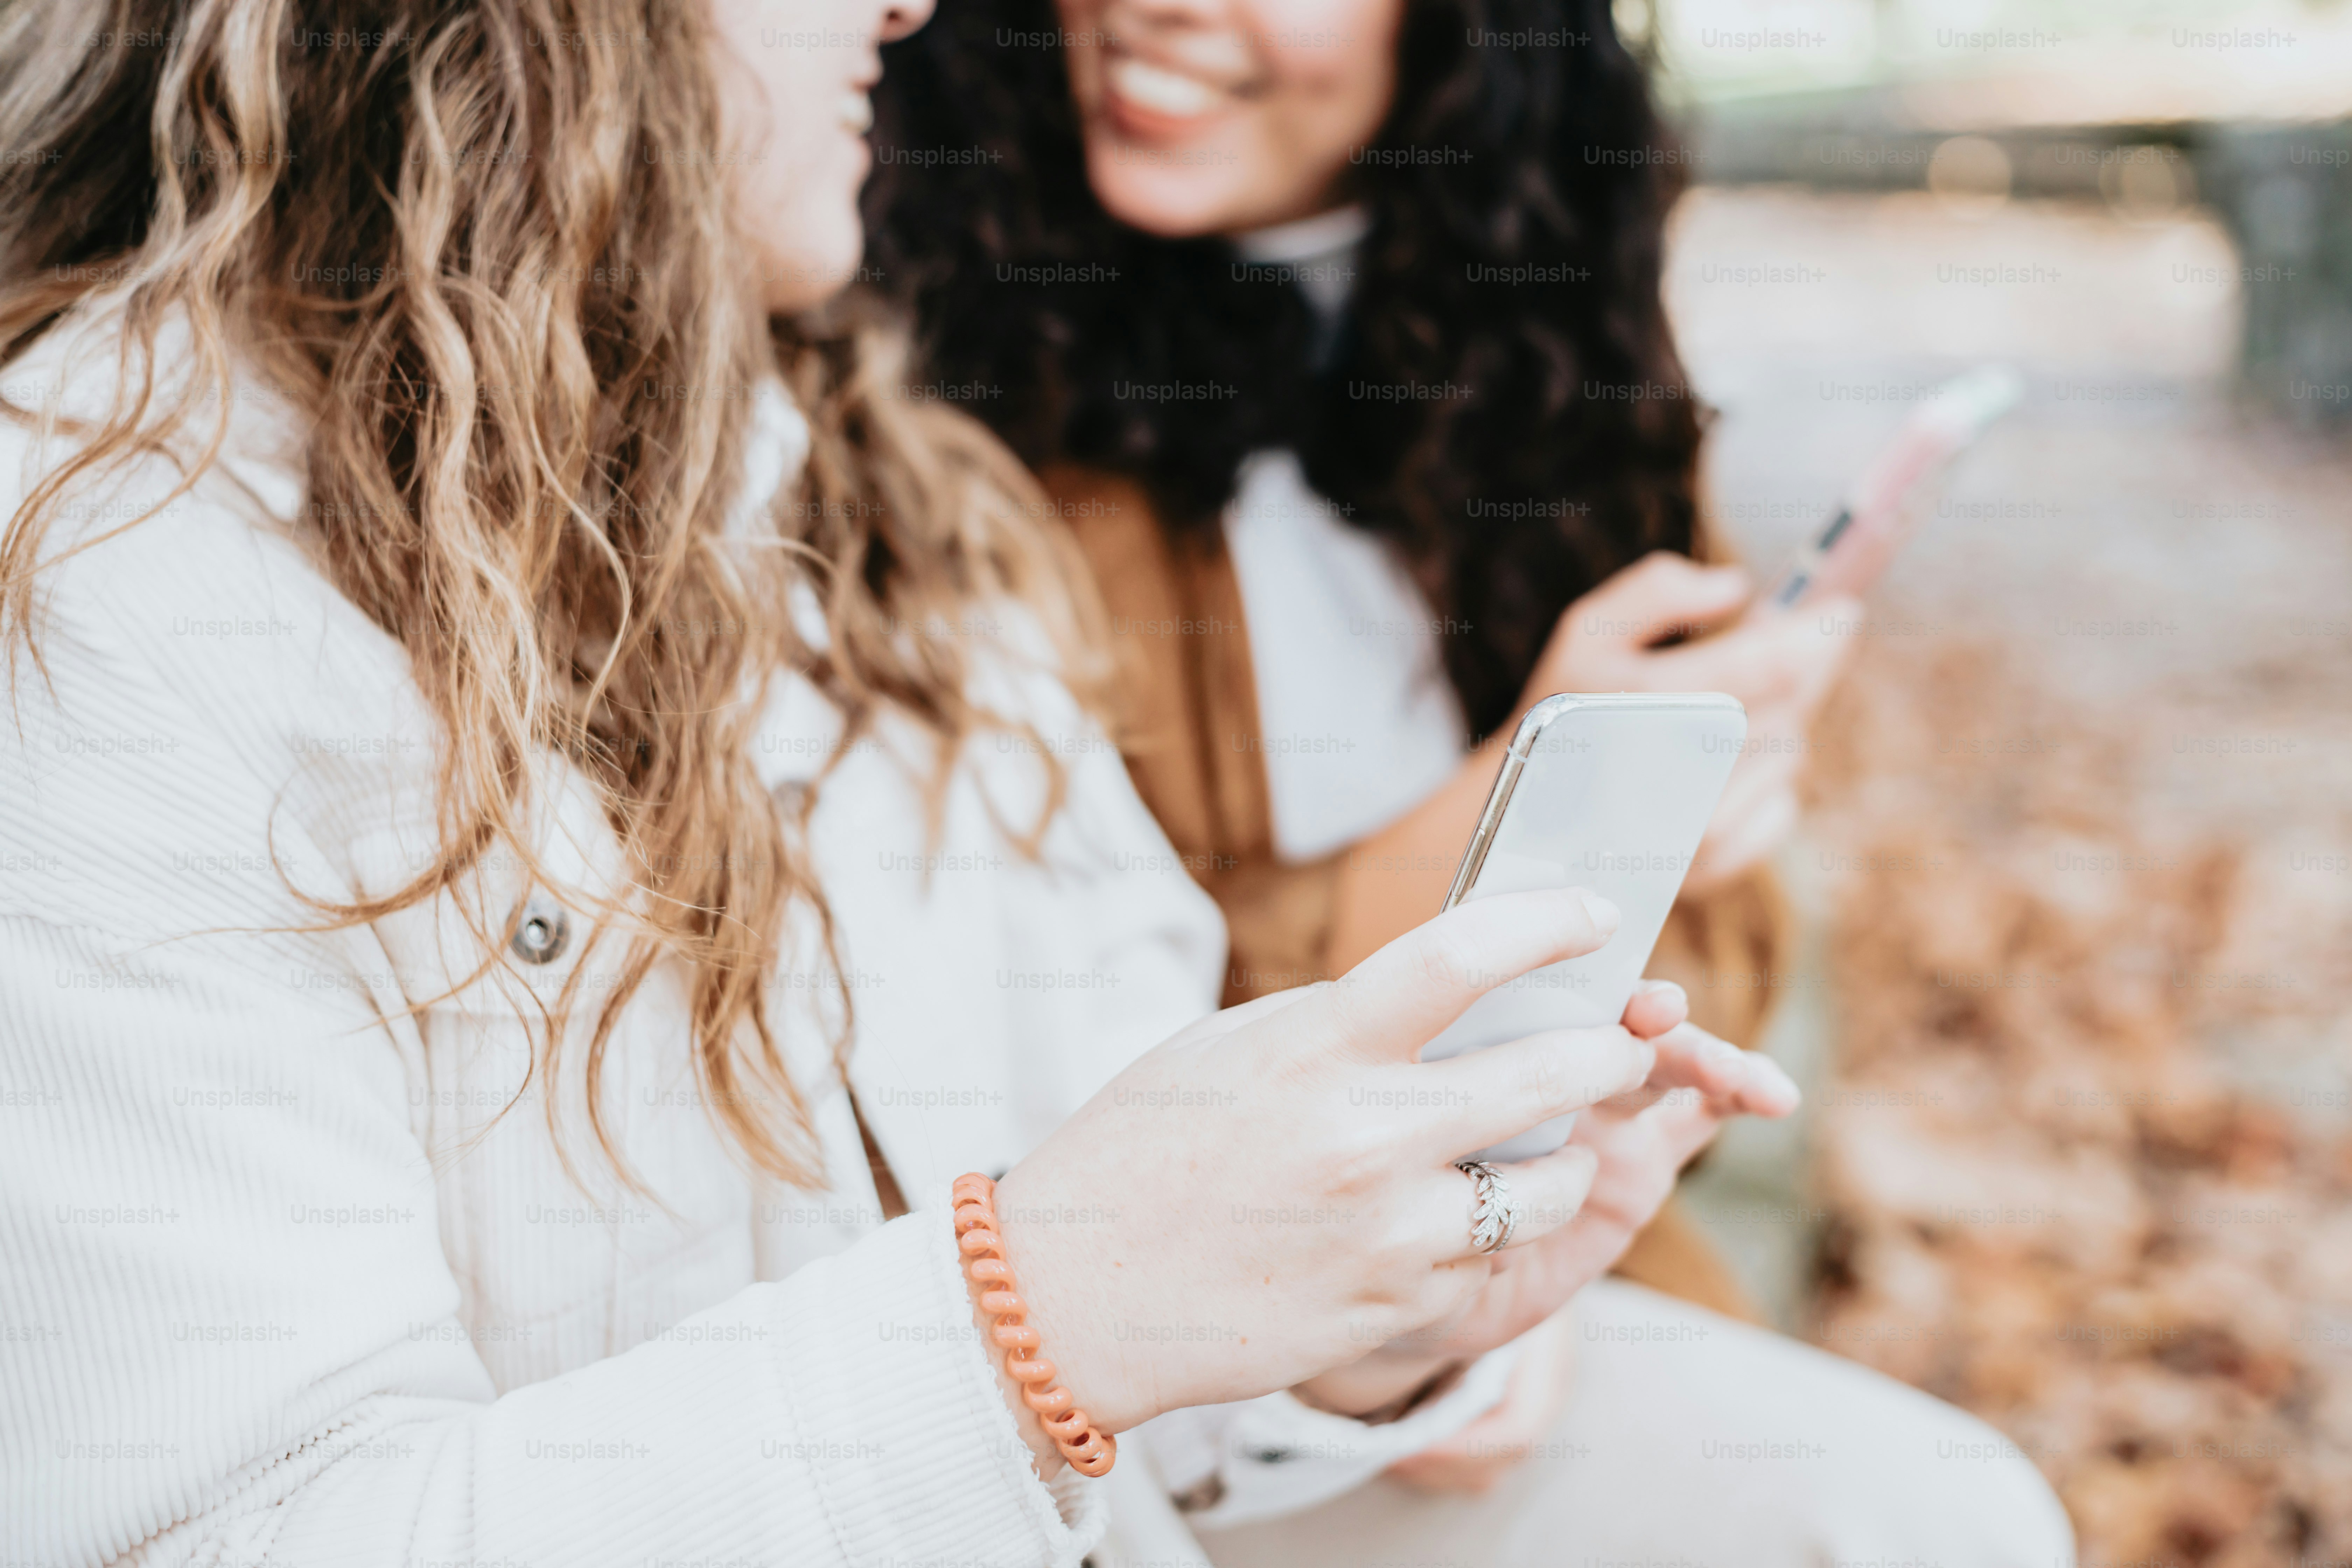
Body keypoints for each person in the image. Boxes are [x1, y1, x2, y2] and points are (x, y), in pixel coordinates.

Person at [0, 2, 1795, 1566]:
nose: (917, 6)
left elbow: (1145, 1260)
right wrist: (1042, 1320)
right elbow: (233, 1525)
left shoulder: (884, 512)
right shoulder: (110, 585)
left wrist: (1368, 1332)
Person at [867, 0, 2079, 1561]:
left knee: (1934, 1513)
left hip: (1519, 1280)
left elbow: (1721, 951)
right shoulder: (935, 408)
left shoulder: (1556, 366)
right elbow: (1038, 1015)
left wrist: (1681, 837)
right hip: (1128, 1335)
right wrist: (1499, 810)